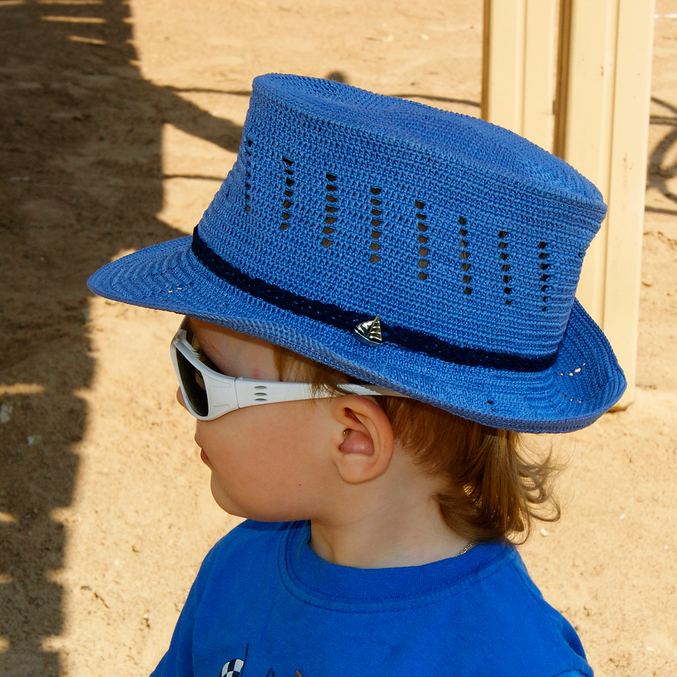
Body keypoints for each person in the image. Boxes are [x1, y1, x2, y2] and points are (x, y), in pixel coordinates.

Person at [88, 73, 626, 677]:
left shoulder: (512, 661)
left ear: (353, 438)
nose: (178, 399)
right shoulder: (238, 567)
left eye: (202, 379)